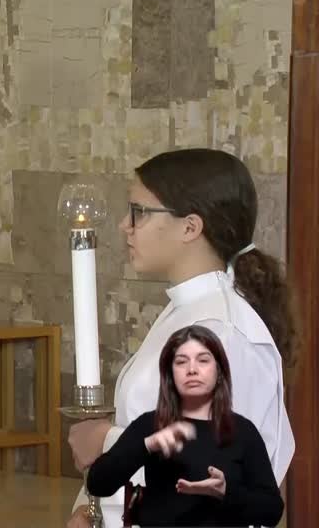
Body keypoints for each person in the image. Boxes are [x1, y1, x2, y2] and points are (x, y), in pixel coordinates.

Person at [67, 148, 295, 528]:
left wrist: (107, 441)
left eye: (139, 212)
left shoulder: (228, 331)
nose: (125, 225)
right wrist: (91, 508)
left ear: (190, 227)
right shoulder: (184, 312)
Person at [86, 325, 284, 527]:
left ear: (219, 372)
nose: (192, 369)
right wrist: (147, 445)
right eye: (181, 362)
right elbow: (98, 484)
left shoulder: (243, 432)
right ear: (170, 375)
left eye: (203, 360)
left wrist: (226, 491)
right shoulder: (151, 425)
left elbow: (272, 511)